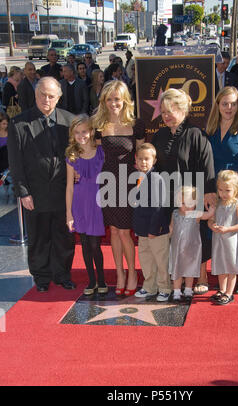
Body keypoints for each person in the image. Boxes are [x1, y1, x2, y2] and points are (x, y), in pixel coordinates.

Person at [7, 76, 75, 292]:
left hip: (64, 192)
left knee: (63, 236)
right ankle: (42, 277)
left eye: (51, 96)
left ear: (59, 97)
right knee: (38, 236)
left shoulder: (70, 121)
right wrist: (23, 192)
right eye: (42, 95)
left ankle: (63, 274)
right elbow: (15, 162)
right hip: (34, 193)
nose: (46, 99)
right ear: (35, 95)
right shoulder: (19, 123)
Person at [151, 88, 216, 295]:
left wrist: (207, 194)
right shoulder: (159, 135)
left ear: (184, 110)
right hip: (166, 196)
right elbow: (153, 166)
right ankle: (174, 278)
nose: (166, 116)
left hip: (191, 197)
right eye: (163, 112)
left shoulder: (197, 134)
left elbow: (208, 166)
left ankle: (202, 276)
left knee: (195, 238)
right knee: (173, 239)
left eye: (171, 111)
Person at [92, 80, 145, 296]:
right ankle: (120, 273)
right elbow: (94, 156)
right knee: (113, 230)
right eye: (109, 99)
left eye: (117, 99)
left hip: (128, 182)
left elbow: (142, 156)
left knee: (124, 232)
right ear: (104, 101)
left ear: (125, 100)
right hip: (107, 181)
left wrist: (143, 184)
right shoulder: (98, 124)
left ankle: (132, 272)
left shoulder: (136, 124)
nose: (114, 103)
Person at [205, 86, 238, 294]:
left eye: (233, 104)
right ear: (217, 104)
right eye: (225, 103)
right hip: (217, 190)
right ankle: (225, 273)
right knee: (219, 234)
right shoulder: (211, 129)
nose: (229, 108)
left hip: (237, 193)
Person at [66, 114, 107, 295]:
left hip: (97, 203)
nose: (81, 135)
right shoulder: (72, 155)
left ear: (91, 131)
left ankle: (102, 280)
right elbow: (69, 187)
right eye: (77, 133)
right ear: (72, 134)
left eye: (84, 131)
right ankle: (91, 281)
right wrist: (69, 214)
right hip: (79, 203)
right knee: (84, 243)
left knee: (95, 245)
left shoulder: (101, 151)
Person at [133, 143, 171, 302]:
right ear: (135, 159)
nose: (143, 162)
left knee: (160, 259)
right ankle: (149, 286)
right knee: (146, 258)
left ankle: (164, 288)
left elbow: (158, 206)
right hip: (142, 229)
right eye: (140, 159)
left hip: (156, 229)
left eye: (147, 159)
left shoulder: (156, 178)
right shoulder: (138, 177)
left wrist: (154, 229)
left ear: (154, 160)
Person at [169, 186, 215, 302]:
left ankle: (188, 290)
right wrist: (166, 237)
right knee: (177, 269)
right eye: (183, 203)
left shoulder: (195, 214)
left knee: (190, 270)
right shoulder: (175, 213)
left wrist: (213, 207)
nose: (187, 206)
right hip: (177, 248)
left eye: (190, 203)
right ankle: (176, 292)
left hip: (192, 248)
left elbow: (208, 215)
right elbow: (171, 228)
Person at [209, 170, 238, 305]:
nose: (223, 194)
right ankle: (222, 289)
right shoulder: (218, 203)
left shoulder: (237, 205)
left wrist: (227, 229)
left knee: (231, 267)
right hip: (219, 241)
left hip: (232, 242)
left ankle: (229, 293)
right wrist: (212, 226)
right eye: (221, 190)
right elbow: (210, 219)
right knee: (220, 265)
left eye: (227, 190)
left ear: (235, 189)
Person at [0, 112, 9, 183]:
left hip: (8, 165)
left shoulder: (10, 133)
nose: (6, 125)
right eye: (4, 123)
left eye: (7, 123)